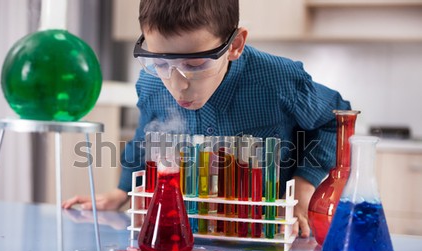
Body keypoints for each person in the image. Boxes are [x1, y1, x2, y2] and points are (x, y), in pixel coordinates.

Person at [63, 0, 351, 238]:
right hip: (191, 231)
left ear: (234, 46)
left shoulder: (278, 80)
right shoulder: (151, 84)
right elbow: (147, 136)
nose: (178, 85)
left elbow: (335, 120)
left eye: (195, 64)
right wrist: (121, 191)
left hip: (265, 233)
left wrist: (304, 186)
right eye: (161, 63)